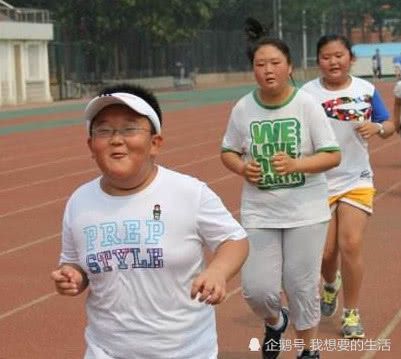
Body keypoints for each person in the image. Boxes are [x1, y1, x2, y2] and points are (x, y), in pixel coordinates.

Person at [50, 84, 249, 359]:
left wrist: (218, 271)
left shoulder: (188, 192)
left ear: (155, 143)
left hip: (185, 351)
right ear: (91, 145)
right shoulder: (79, 202)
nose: (116, 139)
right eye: (104, 131)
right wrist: (73, 276)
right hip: (106, 350)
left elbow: (234, 239)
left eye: (129, 129)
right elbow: (73, 262)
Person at [221, 18, 341, 359]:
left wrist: (297, 164)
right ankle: (275, 321)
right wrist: (243, 167)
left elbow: (332, 154)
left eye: (275, 63)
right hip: (261, 211)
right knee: (256, 290)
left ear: (289, 67)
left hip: (306, 211)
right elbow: (228, 150)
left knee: (301, 285)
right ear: (253, 70)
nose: (268, 70)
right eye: (260, 65)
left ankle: (308, 350)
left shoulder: (306, 105)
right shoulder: (243, 108)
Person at [302, 34, 394, 340]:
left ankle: (351, 312)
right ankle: (331, 284)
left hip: (356, 178)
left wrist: (378, 127)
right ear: (318, 62)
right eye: (326, 57)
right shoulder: (306, 93)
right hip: (319, 182)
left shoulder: (365, 90)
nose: (333, 62)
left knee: (351, 243)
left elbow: (390, 124)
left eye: (339, 56)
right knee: (327, 254)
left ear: (350, 58)